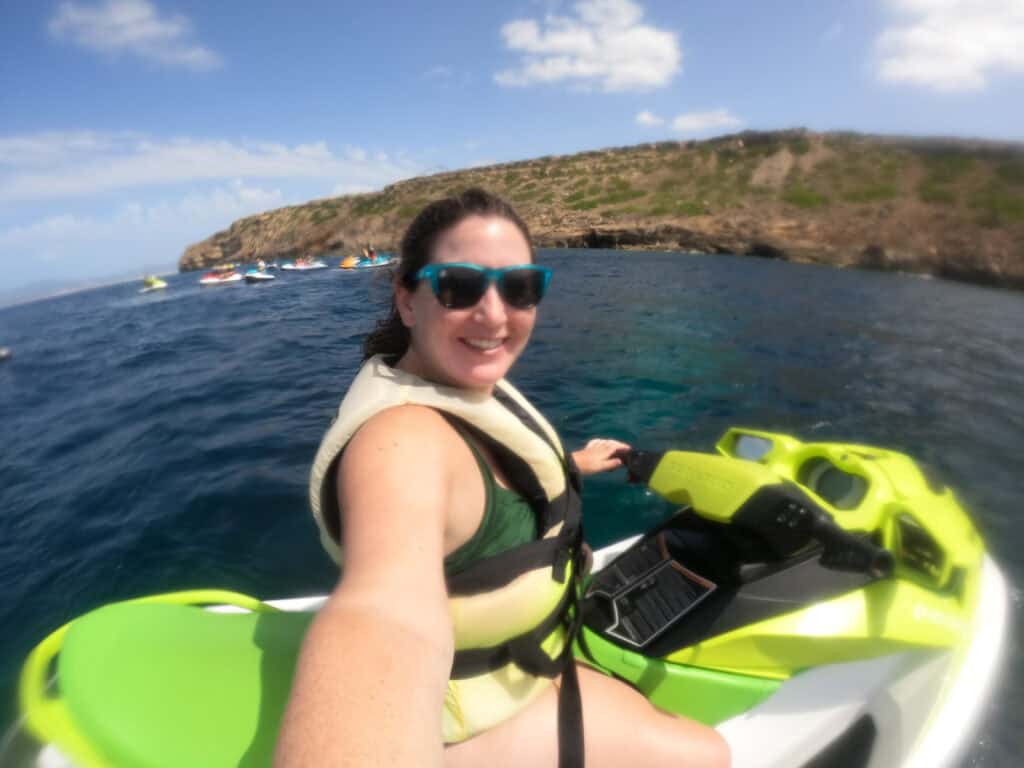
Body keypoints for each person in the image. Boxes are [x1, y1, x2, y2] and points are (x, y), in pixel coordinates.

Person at [276, 189, 730, 768]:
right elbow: (386, 617)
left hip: (529, 652)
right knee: (706, 755)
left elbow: (491, 473)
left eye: (519, 288)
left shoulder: (451, 384)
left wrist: (574, 465)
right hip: (467, 718)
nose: (494, 313)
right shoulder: (400, 447)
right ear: (408, 300)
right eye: (460, 286)